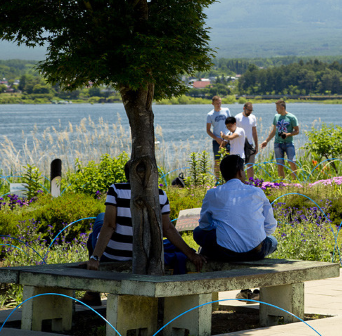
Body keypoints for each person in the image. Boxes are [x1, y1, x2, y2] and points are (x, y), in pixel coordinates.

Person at [83, 161, 205, 304]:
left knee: (99, 223)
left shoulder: (116, 189)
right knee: (98, 229)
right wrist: (191, 254)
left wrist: (95, 257)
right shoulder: (160, 194)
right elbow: (168, 229)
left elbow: (109, 226)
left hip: (114, 254)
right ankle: (92, 289)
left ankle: (92, 292)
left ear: (128, 175)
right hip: (145, 254)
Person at [194, 155, 278, 263]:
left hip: (226, 252)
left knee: (198, 232)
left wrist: (220, 228)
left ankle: (209, 251)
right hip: (256, 252)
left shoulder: (212, 194)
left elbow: (205, 225)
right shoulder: (257, 192)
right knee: (273, 241)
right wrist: (254, 236)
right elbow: (270, 225)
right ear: (240, 172)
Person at [261, 99, 299, 179]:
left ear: (282, 107)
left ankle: (295, 182)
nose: (276, 109)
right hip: (277, 143)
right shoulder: (276, 117)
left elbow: (297, 131)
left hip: (289, 143)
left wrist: (288, 134)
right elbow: (274, 131)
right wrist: (266, 141)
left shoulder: (292, 117)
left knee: (292, 162)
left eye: (277, 107)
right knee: (280, 164)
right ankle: (281, 184)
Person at [205, 95, 231, 177]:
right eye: (216, 103)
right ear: (212, 103)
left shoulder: (226, 110)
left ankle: (228, 178)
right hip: (217, 141)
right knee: (217, 161)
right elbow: (208, 130)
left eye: (220, 103)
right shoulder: (210, 115)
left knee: (229, 160)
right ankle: (217, 180)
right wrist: (217, 138)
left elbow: (231, 124)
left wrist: (228, 137)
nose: (218, 105)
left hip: (228, 139)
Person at [235, 102, 259, 179]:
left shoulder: (253, 117)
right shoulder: (237, 117)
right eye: (249, 110)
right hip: (239, 144)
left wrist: (256, 146)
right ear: (244, 108)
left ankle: (251, 183)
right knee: (240, 166)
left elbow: (254, 132)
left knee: (250, 165)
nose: (250, 112)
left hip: (250, 144)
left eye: (251, 110)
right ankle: (241, 182)